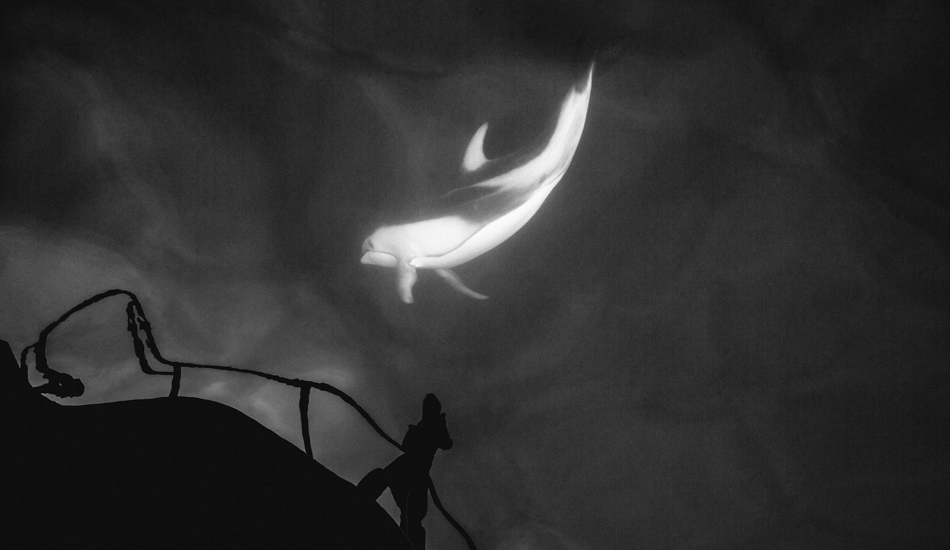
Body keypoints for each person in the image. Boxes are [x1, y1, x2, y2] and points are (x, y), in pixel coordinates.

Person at [358, 393, 453, 550]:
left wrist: (440, 424)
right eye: (426, 408)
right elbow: (406, 445)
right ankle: (360, 498)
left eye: (430, 408)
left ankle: (408, 545)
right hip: (406, 466)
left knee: (412, 516)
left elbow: (446, 443)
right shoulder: (421, 426)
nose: (426, 411)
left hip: (417, 472)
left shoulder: (435, 425)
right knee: (384, 477)